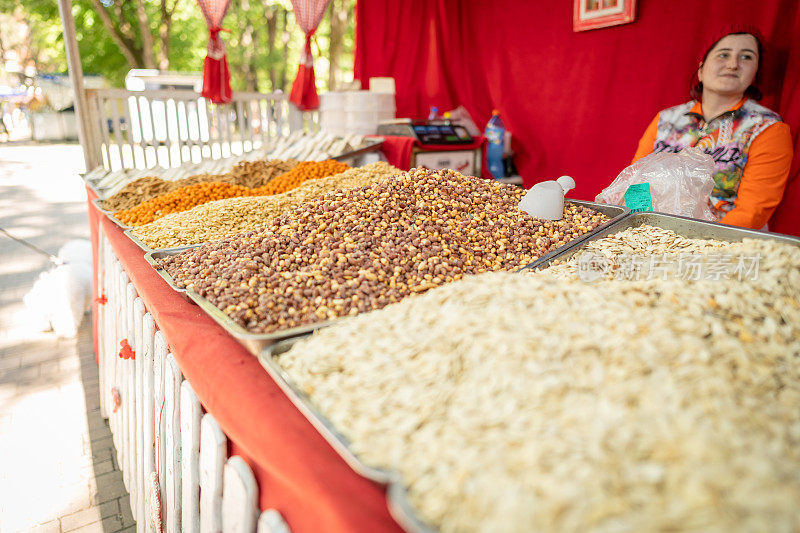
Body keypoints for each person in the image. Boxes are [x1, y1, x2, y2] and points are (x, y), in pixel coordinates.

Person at [632, 26, 793, 229]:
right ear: (701, 70)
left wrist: (695, 246)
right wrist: (641, 232)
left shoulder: (768, 128)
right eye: (724, 55)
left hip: (725, 244)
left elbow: (751, 214)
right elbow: (635, 183)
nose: (733, 64)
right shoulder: (666, 119)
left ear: (754, 75)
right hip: (652, 234)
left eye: (747, 57)